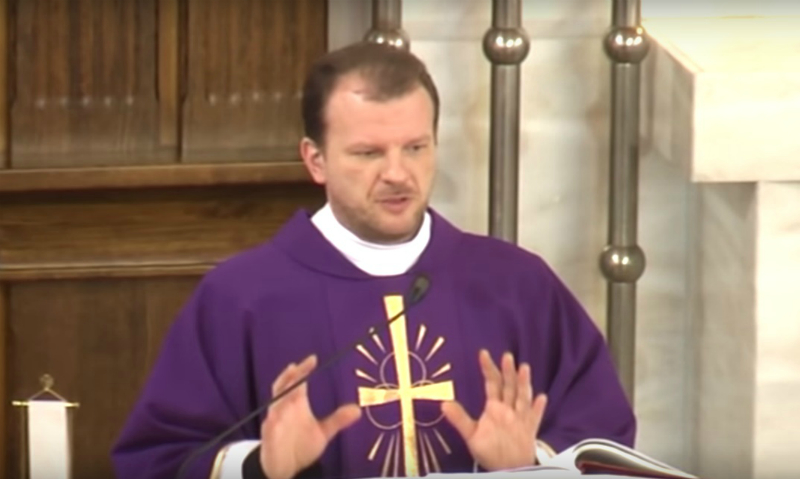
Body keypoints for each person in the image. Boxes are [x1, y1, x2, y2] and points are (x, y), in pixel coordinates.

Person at [111, 41, 635, 479]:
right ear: (315, 160)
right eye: (368, 153)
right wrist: (260, 467)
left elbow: (604, 440)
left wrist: (530, 464)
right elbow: (157, 461)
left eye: (416, 148)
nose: (398, 174)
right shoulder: (241, 297)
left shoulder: (516, 284)